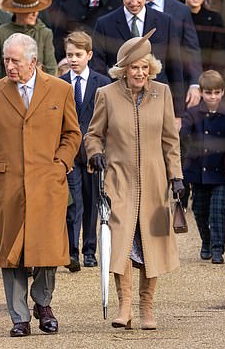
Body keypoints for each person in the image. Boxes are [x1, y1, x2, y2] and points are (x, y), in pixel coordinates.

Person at [0, 33, 81, 338]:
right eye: (6, 60)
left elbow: (72, 134)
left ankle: (43, 304)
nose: (10, 66)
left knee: (48, 248)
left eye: (15, 61)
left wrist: (61, 163)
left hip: (48, 182)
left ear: (33, 61)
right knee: (11, 252)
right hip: (9, 185)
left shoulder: (60, 90)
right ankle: (19, 317)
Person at [84, 30, 184, 330]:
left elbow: (170, 140)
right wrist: (95, 153)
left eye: (144, 67)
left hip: (154, 184)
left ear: (150, 68)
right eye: (134, 67)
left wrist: (176, 176)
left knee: (152, 244)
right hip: (118, 182)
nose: (140, 72)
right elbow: (93, 134)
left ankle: (147, 308)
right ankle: (124, 306)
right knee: (121, 243)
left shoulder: (162, 93)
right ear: (123, 70)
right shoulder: (106, 94)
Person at [91, 0, 201, 125]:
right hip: (119, 102)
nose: (134, 2)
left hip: (156, 99)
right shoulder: (105, 23)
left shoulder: (165, 22)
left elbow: (174, 66)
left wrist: (177, 112)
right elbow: (98, 66)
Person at [59, 31, 111, 272]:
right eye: (69, 55)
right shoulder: (59, 83)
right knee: (73, 202)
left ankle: (90, 250)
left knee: (92, 200)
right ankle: (72, 251)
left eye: (78, 55)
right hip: (68, 151)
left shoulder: (102, 83)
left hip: (93, 152)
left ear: (89, 55)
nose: (73, 59)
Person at [181, 70, 225, 264]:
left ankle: (218, 248)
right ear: (201, 92)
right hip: (197, 171)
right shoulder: (193, 114)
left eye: (217, 93)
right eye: (209, 93)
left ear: (222, 92)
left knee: (218, 209)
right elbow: (184, 138)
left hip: (220, 171)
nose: (213, 97)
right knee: (200, 209)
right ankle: (206, 241)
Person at [0, 0, 57, 80]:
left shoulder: (44, 33)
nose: (35, 14)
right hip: (8, 89)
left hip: (37, 89)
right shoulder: (0, 33)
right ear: (18, 12)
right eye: (30, 12)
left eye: (37, 10)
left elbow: (51, 68)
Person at [178, 0, 225, 74]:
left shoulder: (214, 19)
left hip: (207, 81)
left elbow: (220, 53)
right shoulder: (174, 18)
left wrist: (210, 78)